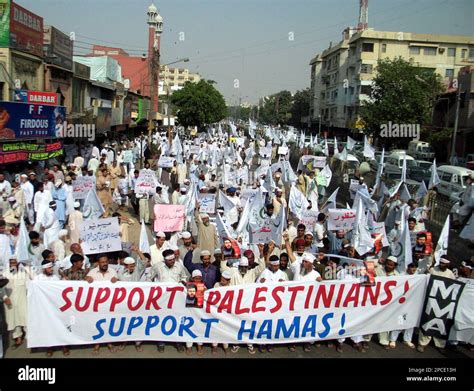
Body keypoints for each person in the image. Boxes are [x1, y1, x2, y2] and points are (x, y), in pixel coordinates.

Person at [3, 256, 33, 350]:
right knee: (13, 320)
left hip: (23, 300)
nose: (13, 264)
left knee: (26, 318)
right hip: (10, 301)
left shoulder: (23, 272)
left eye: (14, 262)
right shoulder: (4, 273)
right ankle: (18, 339)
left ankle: (31, 340)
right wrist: (5, 297)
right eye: (11, 262)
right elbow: (1, 287)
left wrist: (27, 268)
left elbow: (32, 281)